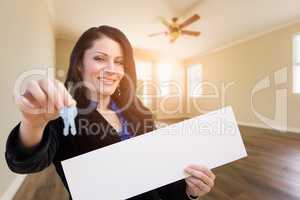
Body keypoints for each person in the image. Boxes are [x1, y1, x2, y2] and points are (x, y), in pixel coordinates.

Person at [5, 25, 215, 200]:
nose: (111, 69)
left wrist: (189, 191)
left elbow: (159, 175)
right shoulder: (62, 115)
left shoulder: (138, 111)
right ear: (79, 64)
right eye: (100, 58)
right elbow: (25, 162)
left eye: (119, 61)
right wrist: (33, 124)